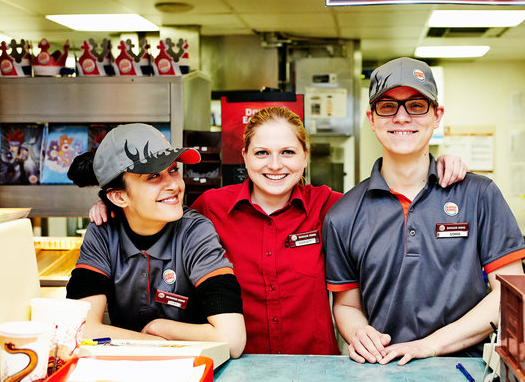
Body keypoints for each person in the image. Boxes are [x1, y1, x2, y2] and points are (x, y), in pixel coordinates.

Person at [90, 107, 467, 355]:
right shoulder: (211, 207)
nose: (275, 165)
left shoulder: (333, 206)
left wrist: (436, 164)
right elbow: (153, 210)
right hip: (236, 365)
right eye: (262, 153)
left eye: (288, 153)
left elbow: (397, 196)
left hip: (318, 369)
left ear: (306, 157)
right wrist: (108, 207)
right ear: (245, 158)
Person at [323, 57, 525, 365]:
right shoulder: (342, 216)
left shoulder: (478, 195)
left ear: (437, 115)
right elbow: (347, 306)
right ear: (371, 118)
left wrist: (428, 345)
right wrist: (360, 334)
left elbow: (508, 295)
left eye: (416, 105)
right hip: (384, 368)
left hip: (468, 369)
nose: (402, 118)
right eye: (387, 106)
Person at [66, 123, 246, 358]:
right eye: (153, 176)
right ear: (119, 196)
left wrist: (161, 327)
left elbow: (233, 340)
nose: (173, 185)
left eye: (173, 170)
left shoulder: (195, 231)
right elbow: (78, 329)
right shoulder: (102, 233)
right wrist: (153, 341)